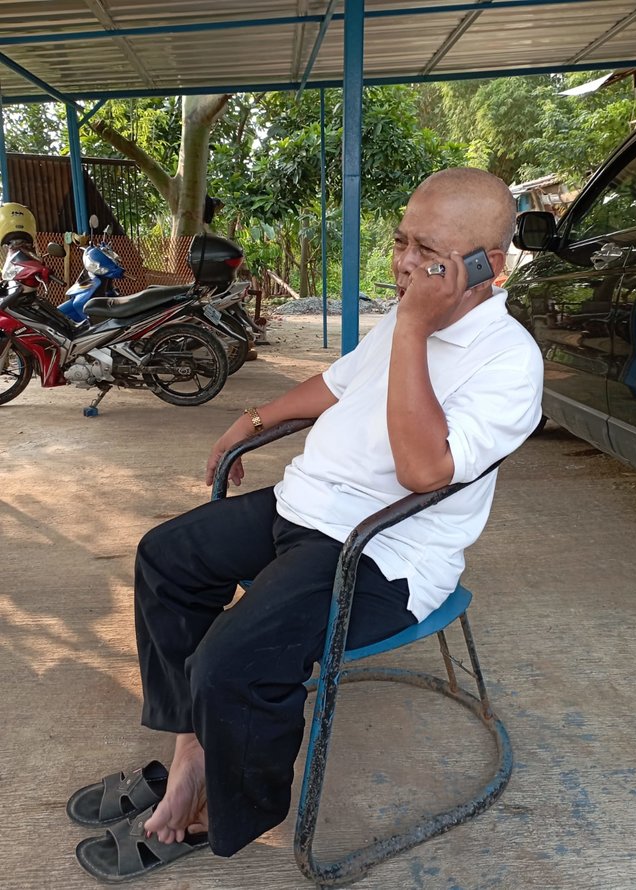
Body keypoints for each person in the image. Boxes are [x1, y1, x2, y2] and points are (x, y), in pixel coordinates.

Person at [69, 168, 543, 881]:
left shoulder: (508, 361)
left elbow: (424, 470)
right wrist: (254, 417)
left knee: (231, 661)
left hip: (381, 554)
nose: (406, 264)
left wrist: (412, 325)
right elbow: (335, 385)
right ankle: (191, 749)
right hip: (302, 510)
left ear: (490, 266)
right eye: (401, 242)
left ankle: (220, 810)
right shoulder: (401, 324)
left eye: (430, 253)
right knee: (166, 558)